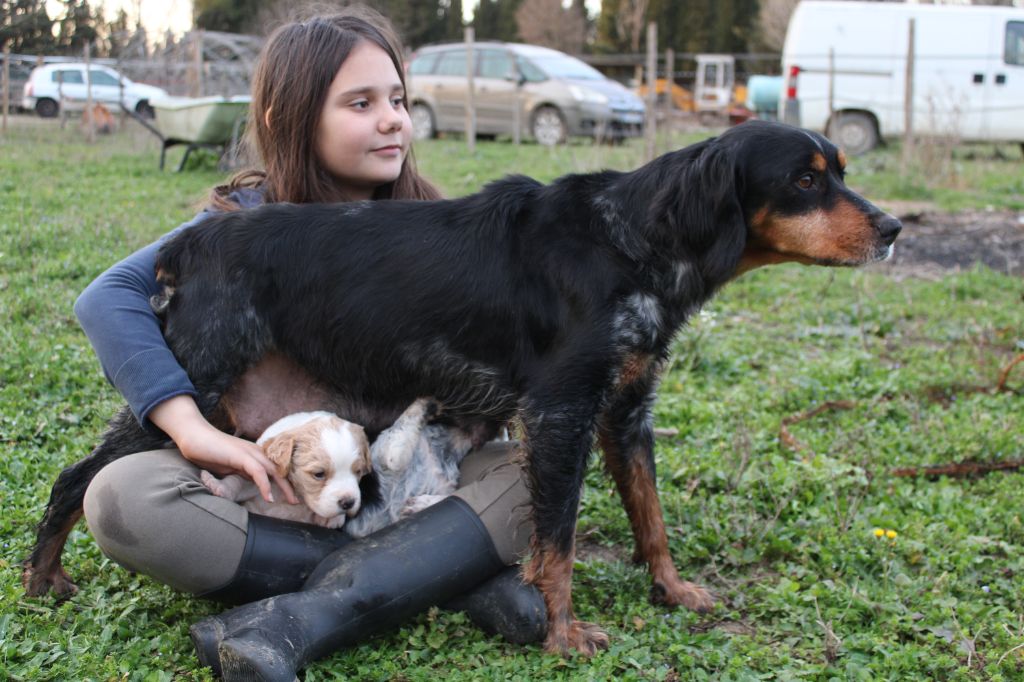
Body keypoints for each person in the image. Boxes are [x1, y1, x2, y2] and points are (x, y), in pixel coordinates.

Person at [76, 7, 544, 678]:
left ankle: (308, 614)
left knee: (533, 473)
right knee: (124, 499)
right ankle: (442, 574)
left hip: (396, 479)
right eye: (361, 102)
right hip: (268, 484)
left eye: (398, 99)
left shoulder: (431, 224)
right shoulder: (245, 224)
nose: (393, 120)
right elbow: (108, 296)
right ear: (288, 119)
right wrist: (191, 430)